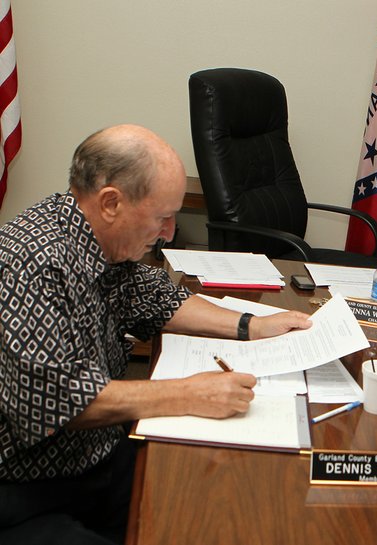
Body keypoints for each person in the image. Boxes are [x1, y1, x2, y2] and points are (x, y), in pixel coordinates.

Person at [0, 124, 312, 544]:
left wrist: (251, 326)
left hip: (97, 459)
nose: (168, 233)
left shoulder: (98, 239)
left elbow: (158, 298)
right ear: (111, 202)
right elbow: (58, 399)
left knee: (212, 510)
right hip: (26, 489)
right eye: (163, 217)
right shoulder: (32, 261)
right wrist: (191, 394)